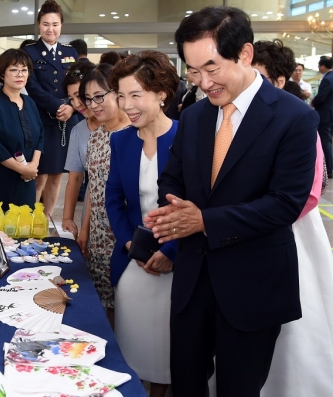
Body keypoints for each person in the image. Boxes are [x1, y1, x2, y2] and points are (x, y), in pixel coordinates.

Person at [144, 6, 318, 396]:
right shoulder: (194, 117)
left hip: (253, 283)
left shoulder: (293, 117)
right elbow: (172, 177)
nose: (203, 82)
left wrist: (204, 220)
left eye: (211, 67)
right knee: (185, 385)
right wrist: (174, 210)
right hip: (192, 279)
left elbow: (285, 203)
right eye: (193, 71)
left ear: (245, 54)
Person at [250, 39, 333, 397]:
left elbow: (312, 191)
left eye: (261, 78)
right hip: (248, 226)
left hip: (291, 227)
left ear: (280, 82)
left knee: (296, 316)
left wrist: (260, 216)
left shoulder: (299, 120)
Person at [105, 51, 179, 397]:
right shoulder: (120, 140)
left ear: (161, 93)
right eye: (121, 95)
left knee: (170, 352)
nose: (127, 105)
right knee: (131, 349)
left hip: (179, 264)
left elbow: (198, 205)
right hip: (133, 260)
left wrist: (172, 253)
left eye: (136, 95)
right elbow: (113, 200)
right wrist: (129, 244)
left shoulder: (186, 137)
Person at [77, 63, 130, 324]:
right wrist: (84, 230)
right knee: (101, 307)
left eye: (100, 96)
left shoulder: (134, 133)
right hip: (97, 236)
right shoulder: (95, 135)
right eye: (88, 99)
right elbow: (92, 187)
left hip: (123, 236)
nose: (94, 105)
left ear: (118, 92)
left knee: (126, 307)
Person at [22, 0, 79, 218]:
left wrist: (72, 106)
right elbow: (31, 85)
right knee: (40, 175)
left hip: (66, 123)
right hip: (41, 121)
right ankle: (29, 220)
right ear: (39, 25)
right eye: (46, 24)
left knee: (57, 175)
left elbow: (78, 86)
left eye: (55, 24)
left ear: (61, 26)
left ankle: (45, 220)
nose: (50, 29)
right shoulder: (29, 52)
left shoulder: (70, 52)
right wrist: (59, 105)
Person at [0, 49, 44, 211]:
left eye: (24, 70)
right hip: (2, 180)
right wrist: (23, 169)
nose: (20, 75)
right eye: (14, 70)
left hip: (27, 179)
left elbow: (40, 136)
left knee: (25, 227)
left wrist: (33, 166)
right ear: (2, 74)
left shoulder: (30, 102)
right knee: (2, 230)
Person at [61, 60, 98, 238]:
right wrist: (67, 218)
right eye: (71, 99)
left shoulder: (121, 126)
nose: (76, 104)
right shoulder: (78, 130)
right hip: (90, 211)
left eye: (79, 95)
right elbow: (75, 178)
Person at [311, 55, 333, 178]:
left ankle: (328, 169)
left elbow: (321, 97)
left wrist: (313, 102)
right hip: (330, 114)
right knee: (328, 141)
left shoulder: (327, 79)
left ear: (323, 66)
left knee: (324, 141)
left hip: (325, 115)